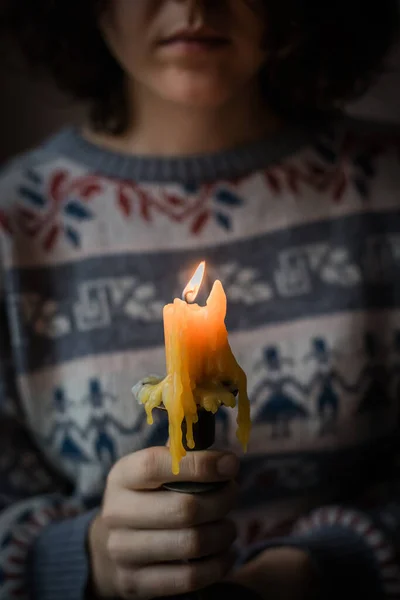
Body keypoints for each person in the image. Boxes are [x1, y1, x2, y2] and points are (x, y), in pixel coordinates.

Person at [1, 0, 400, 598]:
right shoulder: (16, 226)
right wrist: (87, 558)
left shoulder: (388, 188)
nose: (192, 5)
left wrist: (333, 565)